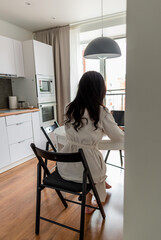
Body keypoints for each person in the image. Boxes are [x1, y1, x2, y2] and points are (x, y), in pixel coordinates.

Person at [57, 71, 124, 214]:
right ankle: (89, 202)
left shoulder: (69, 107)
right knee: (94, 161)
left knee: (91, 160)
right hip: (87, 169)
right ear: (100, 90)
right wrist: (110, 124)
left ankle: (101, 182)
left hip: (66, 165)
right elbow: (118, 138)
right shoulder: (100, 111)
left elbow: (80, 130)